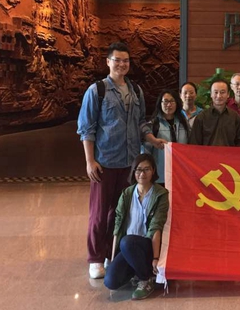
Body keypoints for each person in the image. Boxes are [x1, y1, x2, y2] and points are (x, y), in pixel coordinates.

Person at [77, 42, 164, 279]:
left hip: (130, 165)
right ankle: (95, 258)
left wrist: (152, 139)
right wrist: (90, 161)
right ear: (108, 62)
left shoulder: (136, 91)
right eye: (117, 60)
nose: (122, 64)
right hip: (105, 162)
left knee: (121, 212)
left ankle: (111, 253)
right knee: (99, 213)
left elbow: (141, 123)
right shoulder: (97, 90)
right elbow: (87, 129)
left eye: (125, 60)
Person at [104, 154, 169, 301]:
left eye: (147, 169)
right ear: (133, 172)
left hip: (147, 246)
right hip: (127, 246)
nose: (142, 174)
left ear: (153, 171)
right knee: (111, 281)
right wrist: (114, 257)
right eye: (138, 169)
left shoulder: (160, 194)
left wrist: (156, 258)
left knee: (127, 242)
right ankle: (138, 271)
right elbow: (118, 225)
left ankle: (145, 279)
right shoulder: (127, 193)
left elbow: (156, 227)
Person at [144, 89, 190, 181]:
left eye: (172, 101)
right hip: (160, 174)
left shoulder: (184, 123)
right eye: (165, 101)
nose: (169, 105)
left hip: (181, 173)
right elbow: (146, 151)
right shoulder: (154, 124)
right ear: (160, 104)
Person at [189, 79, 240, 146]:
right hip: (207, 153)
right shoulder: (201, 117)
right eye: (215, 92)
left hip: (229, 152)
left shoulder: (235, 117)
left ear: (228, 94)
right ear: (211, 94)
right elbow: (194, 142)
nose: (219, 96)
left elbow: (239, 142)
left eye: (222, 92)